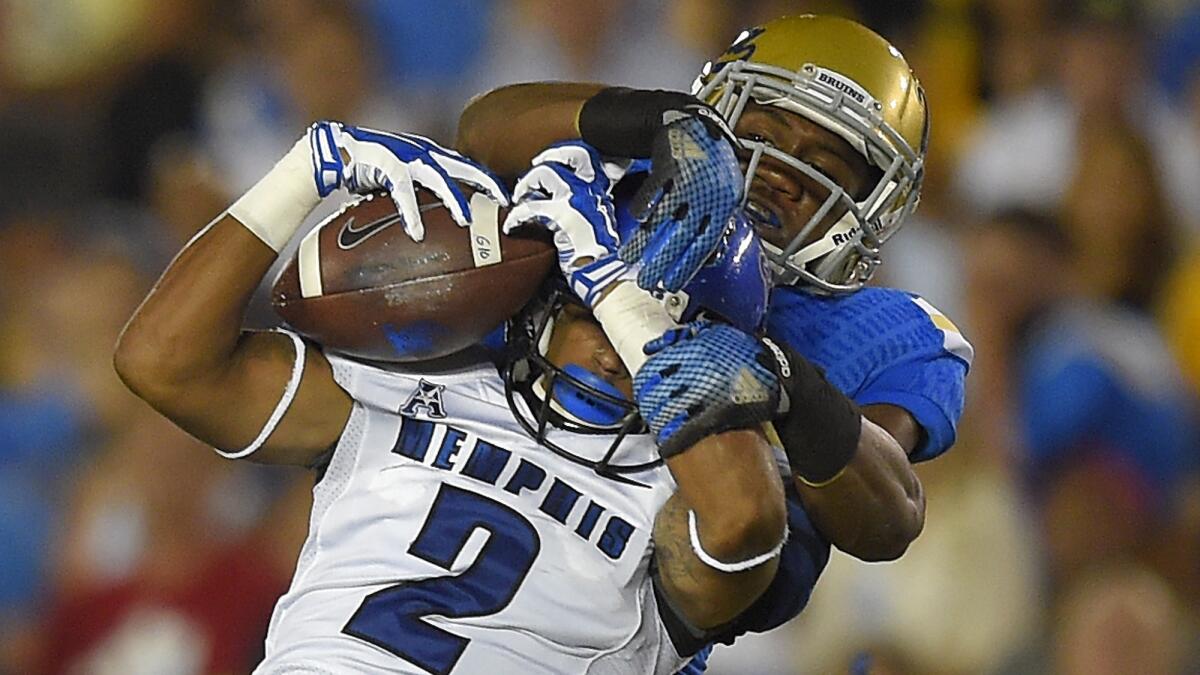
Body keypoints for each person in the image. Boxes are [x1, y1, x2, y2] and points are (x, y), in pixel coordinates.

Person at [113, 118, 825, 672]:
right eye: (590, 314)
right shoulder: (410, 383)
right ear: (547, 294)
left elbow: (742, 528)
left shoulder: (694, 488)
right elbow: (161, 362)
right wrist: (305, 170)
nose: (613, 350)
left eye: (650, 323)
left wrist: (616, 293)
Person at [457, 14, 972, 567]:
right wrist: (652, 117)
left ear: (875, 208)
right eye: (757, 138)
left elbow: (886, 520)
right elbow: (482, 130)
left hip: (639, 594)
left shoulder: (889, 331)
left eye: (820, 167)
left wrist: (785, 381)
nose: (778, 171)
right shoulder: (617, 190)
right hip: (467, 482)